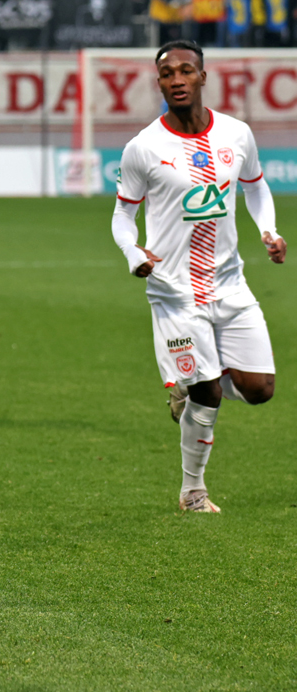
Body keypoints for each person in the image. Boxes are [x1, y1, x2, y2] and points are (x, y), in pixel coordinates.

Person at [111, 40, 285, 514]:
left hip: (231, 283)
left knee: (259, 390)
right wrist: (132, 251)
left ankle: (190, 383)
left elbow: (256, 188)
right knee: (209, 393)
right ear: (160, 82)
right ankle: (193, 492)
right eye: (167, 74)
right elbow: (122, 217)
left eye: (186, 71)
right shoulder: (143, 147)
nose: (177, 80)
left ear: (203, 77)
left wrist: (268, 231)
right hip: (174, 289)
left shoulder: (236, 134)